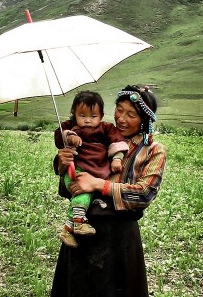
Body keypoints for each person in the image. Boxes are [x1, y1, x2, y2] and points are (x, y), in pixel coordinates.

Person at [51, 84, 166, 297]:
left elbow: (144, 194)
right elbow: (72, 189)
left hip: (119, 240)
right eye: (119, 110)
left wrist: (97, 184)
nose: (121, 118)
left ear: (145, 120)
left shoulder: (152, 150)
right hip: (83, 230)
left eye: (131, 114)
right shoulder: (96, 136)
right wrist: (63, 164)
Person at [54, 91, 129, 248]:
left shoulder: (106, 128)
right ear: (74, 113)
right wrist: (69, 138)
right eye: (82, 116)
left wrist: (117, 158)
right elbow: (61, 136)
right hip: (77, 169)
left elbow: (117, 141)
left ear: (101, 115)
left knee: (85, 193)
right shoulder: (71, 127)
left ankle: (68, 229)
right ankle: (80, 224)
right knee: (83, 193)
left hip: (96, 172)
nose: (87, 120)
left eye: (93, 116)